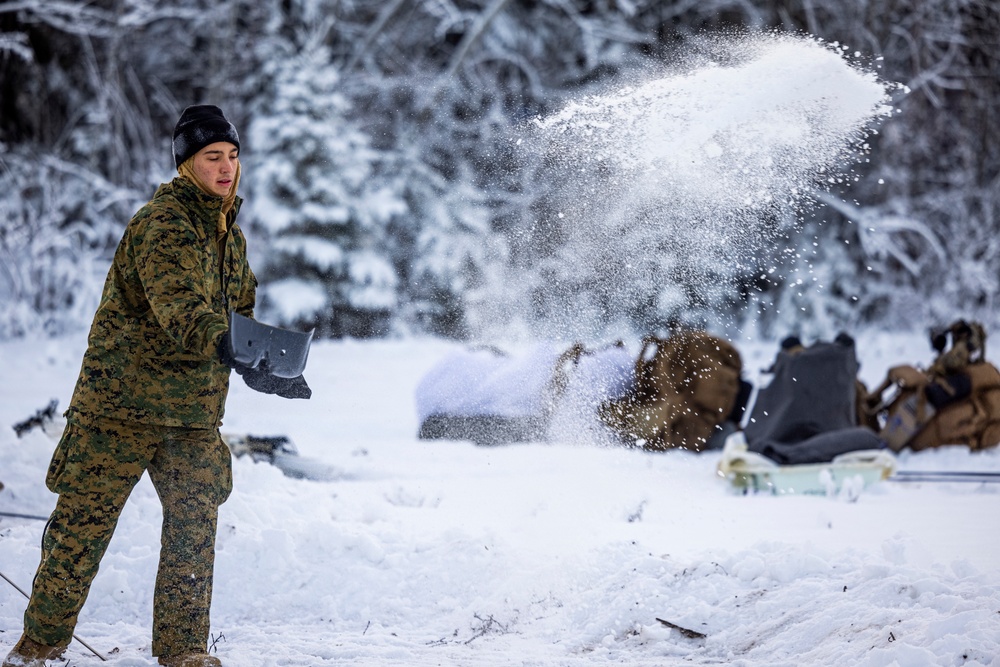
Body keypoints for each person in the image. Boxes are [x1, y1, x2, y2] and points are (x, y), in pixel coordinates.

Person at [3, 105, 309, 667]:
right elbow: (182, 312)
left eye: (233, 156)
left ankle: (183, 653)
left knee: (195, 528)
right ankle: (38, 647)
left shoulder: (230, 238)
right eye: (212, 157)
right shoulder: (162, 223)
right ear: (187, 164)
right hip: (119, 408)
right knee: (79, 532)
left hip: (191, 416)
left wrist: (265, 368)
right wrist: (226, 344)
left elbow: (236, 321)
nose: (226, 168)